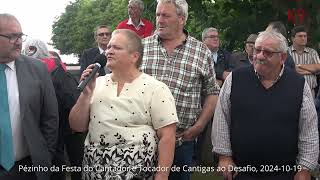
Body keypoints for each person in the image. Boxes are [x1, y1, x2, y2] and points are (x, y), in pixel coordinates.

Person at [69, 29, 178, 180]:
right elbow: (76, 126)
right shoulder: (96, 84)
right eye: (108, 47)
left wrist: (162, 175)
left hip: (137, 172)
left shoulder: (155, 88)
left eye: (117, 48)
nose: (109, 51)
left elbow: (168, 136)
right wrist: (86, 95)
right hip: (95, 170)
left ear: (134, 56)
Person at [212, 30, 319, 180]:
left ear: (282, 57)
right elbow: (221, 119)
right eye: (257, 50)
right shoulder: (235, 79)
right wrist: (224, 157)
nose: (260, 56)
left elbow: (309, 130)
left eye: (268, 52)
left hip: (285, 173)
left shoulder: (299, 84)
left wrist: (304, 168)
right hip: (241, 171)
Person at [141, 1, 220, 179]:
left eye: (166, 15)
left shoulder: (201, 51)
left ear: (181, 19)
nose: (159, 20)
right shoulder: (142, 47)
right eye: (158, 15)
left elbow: (213, 92)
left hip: (181, 142)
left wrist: (200, 125)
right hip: (142, 140)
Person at [0, 13, 59, 180]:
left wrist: (45, 159)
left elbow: (50, 118)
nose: (18, 41)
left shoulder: (37, 69)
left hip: (27, 169)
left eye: (20, 36)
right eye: (11, 37)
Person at [23, 39, 83, 180]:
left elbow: (71, 101)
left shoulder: (49, 72)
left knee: (61, 164)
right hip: (60, 128)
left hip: (62, 128)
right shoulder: (56, 70)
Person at [289, 25, 320, 97]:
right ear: (293, 38)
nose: (303, 38)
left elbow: (319, 68)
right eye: (300, 36)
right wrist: (312, 70)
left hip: (310, 92)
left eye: (305, 36)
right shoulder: (287, 52)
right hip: (291, 91)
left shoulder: (312, 52)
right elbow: (288, 70)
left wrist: (299, 66)